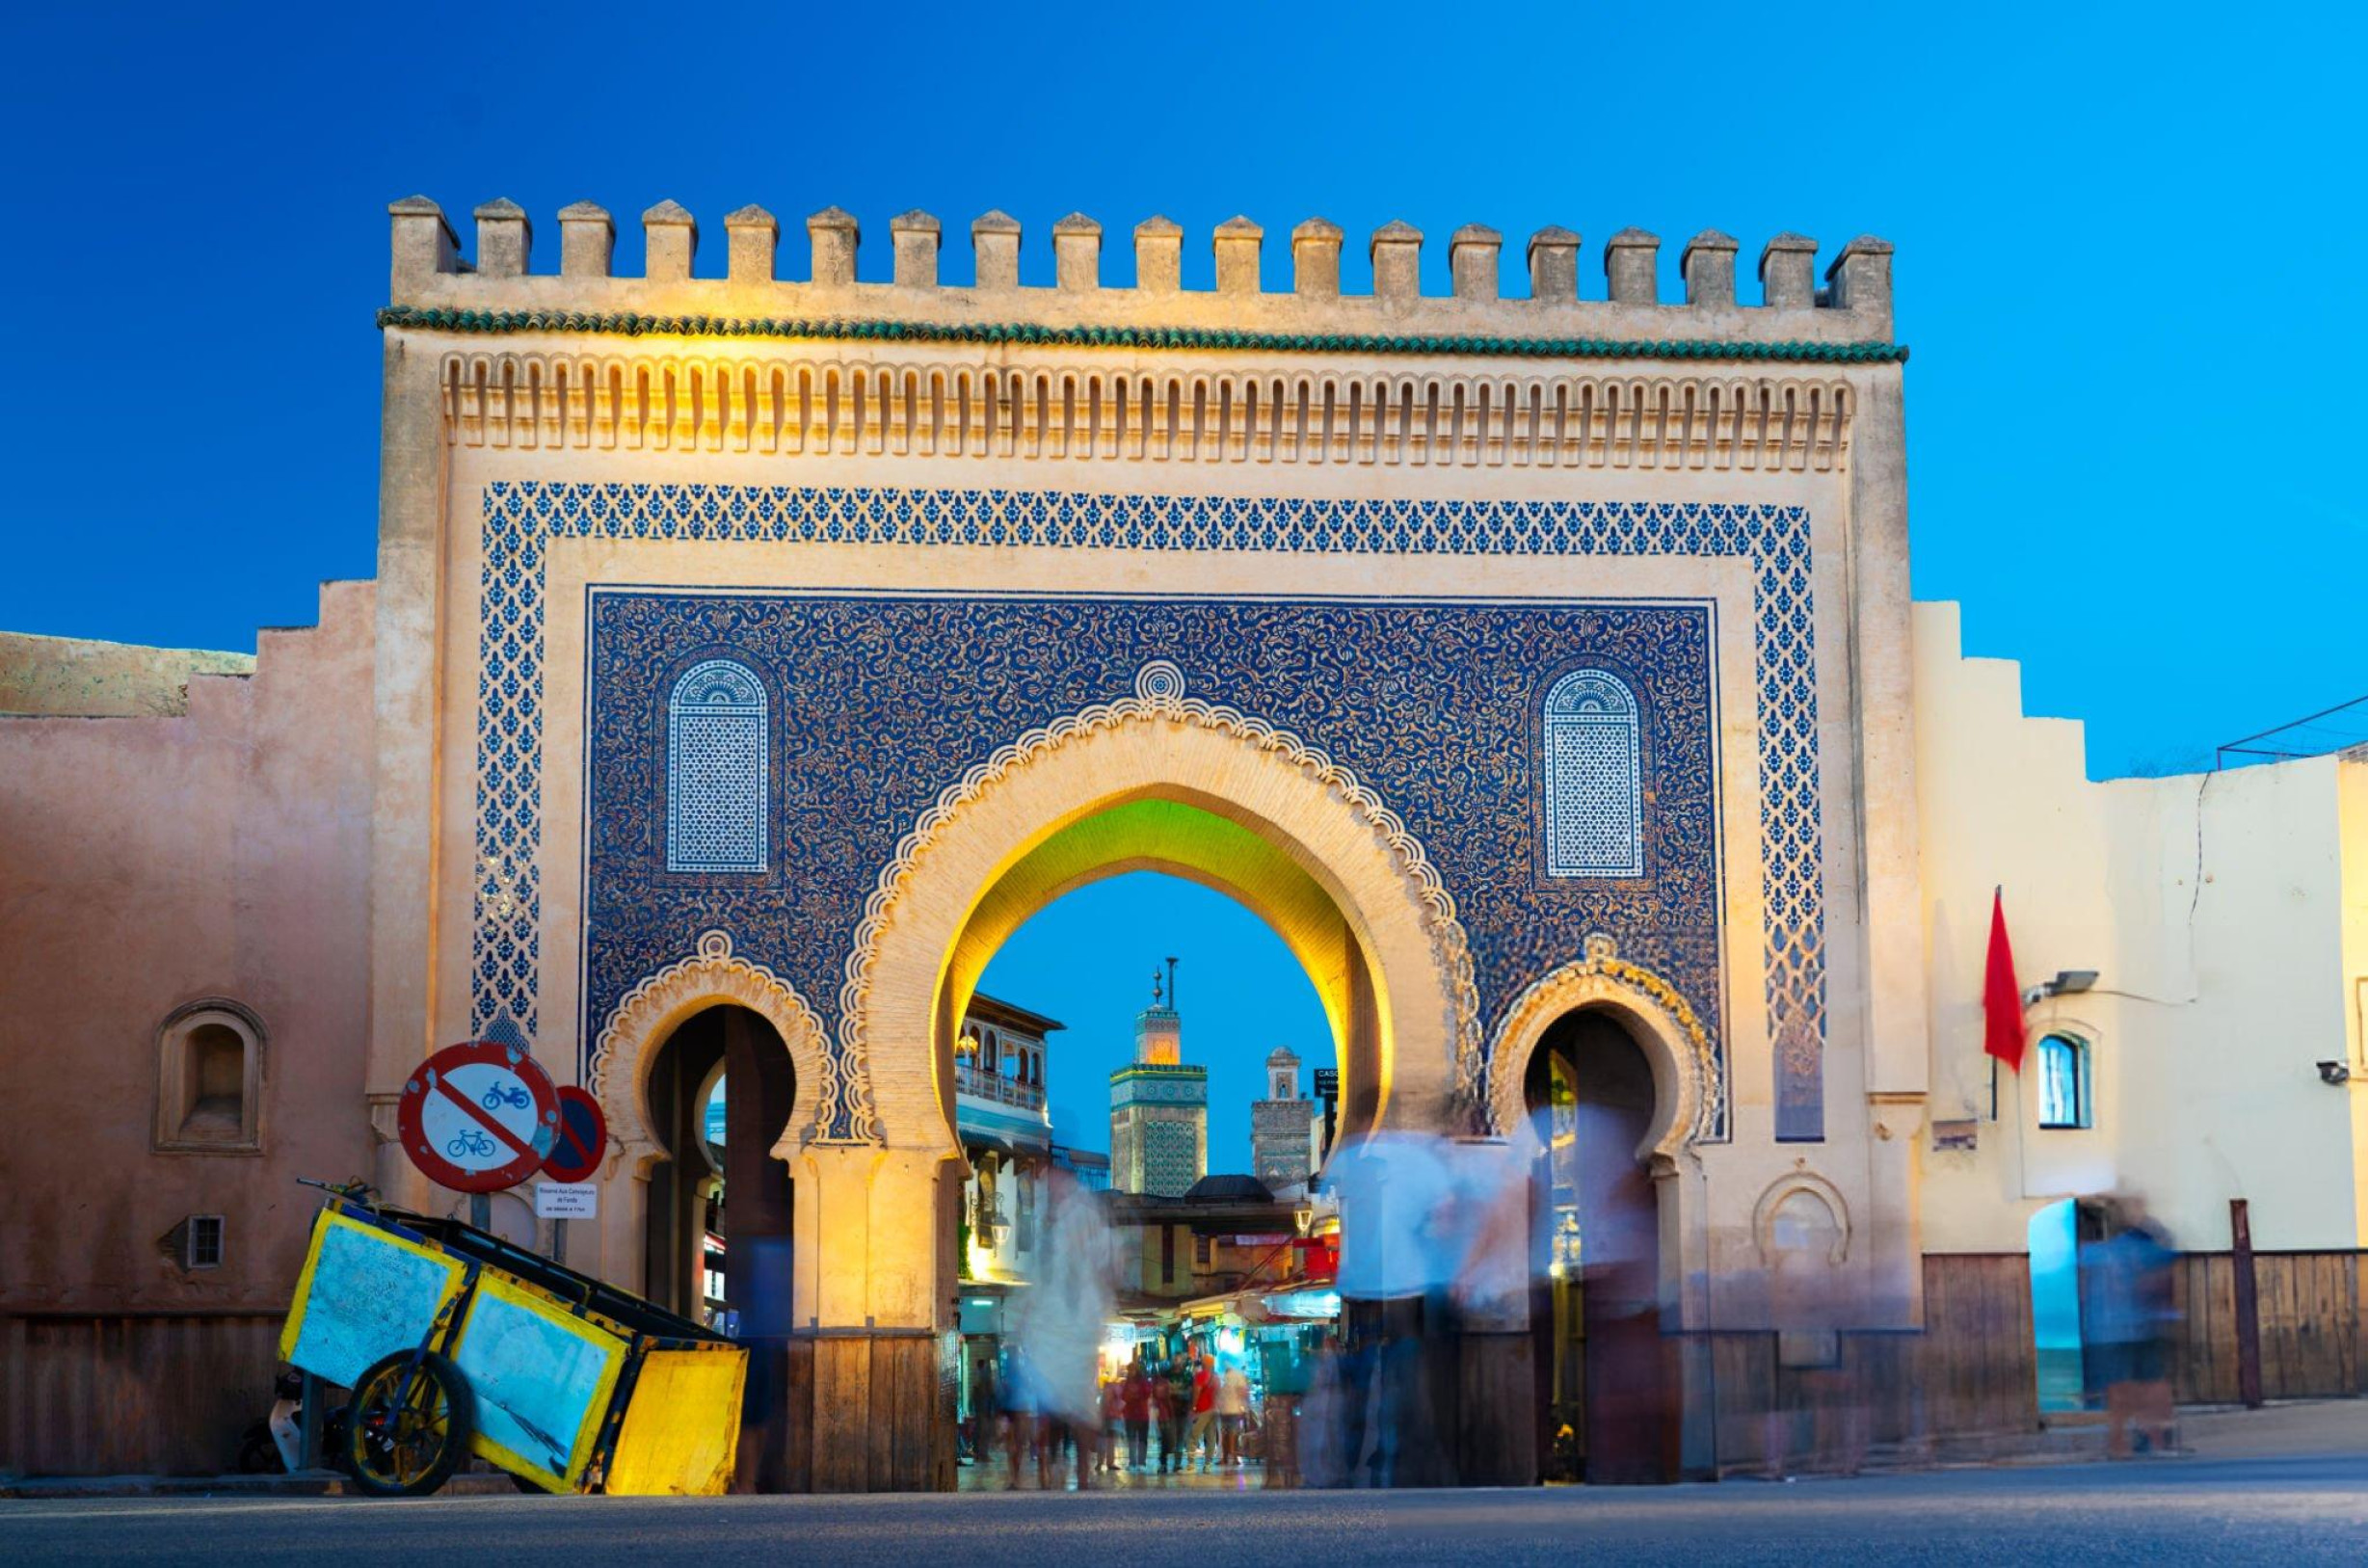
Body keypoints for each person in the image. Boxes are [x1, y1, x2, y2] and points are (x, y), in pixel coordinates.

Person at [1185, 1352, 1219, 1471]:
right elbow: (1218, 1395)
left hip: (1202, 1411)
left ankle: (1191, 1463)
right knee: (1211, 1438)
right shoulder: (1216, 1377)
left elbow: (1196, 1393)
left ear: (1204, 1363)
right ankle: (1208, 1465)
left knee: (1193, 1437)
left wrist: (1193, 1408)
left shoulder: (1200, 1376)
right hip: (1214, 1411)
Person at [1216, 1357, 1251, 1467]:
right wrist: (1245, 1407)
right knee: (1233, 1434)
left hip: (1224, 1410)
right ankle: (1233, 1457)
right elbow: (1243, 1393)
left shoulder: (1222, 1376)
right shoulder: (1238, 1375)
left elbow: (1218, 1394)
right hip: (1234, 1409)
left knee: (1225, 1433)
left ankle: (1226, 1458)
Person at [1121, 1359, 1153, 1470]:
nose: (1130, 1372)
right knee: (1132, 1439)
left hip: (1141, 1415)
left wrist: (1133, 1395)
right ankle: (1133, 1462)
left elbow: (1146, 1394)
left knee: (1141, 1439)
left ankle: (1141, 1463)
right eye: (1129, 1370)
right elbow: (1124, 1396)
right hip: (1131, 1415)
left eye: (1132, 1370)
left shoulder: (1143, 1382)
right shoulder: (1128, 1382)